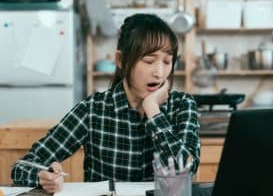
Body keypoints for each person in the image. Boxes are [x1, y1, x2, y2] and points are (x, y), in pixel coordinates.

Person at [11, 13, 201, 193]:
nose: (159, 73)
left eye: (167, 62)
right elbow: (22, 166)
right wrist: (42, 177)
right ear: (121, 60)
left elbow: (186, 170)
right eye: (149, 61)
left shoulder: (182, 105)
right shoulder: (93, 109)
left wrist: (153, 111)